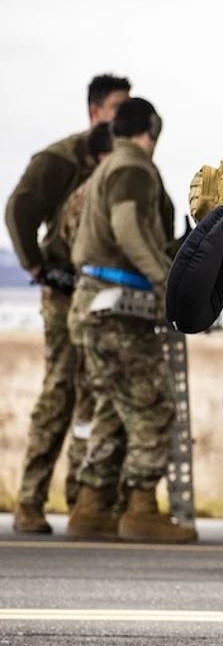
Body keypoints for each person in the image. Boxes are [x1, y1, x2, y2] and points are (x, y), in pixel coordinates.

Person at [66, 99, 191, 544]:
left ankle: (92, 506)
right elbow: (127, 229)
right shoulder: (133, 168)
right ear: (151, 130)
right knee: (152, 407)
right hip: (118, 310)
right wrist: (163, 281)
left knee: (114, 408)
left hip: (95, 304)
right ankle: (140, 510)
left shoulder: (108, 166)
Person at [8, 74, 129, 534]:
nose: (123, 117)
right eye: (117, 108)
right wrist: (38, 268)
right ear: (95, 111)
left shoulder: (123, 163)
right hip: (64, 292)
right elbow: (19, 209)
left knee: (96, 395)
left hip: (105, 294)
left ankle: (84, 502)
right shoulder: (61, 159)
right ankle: (30, 501)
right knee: (60, 389)